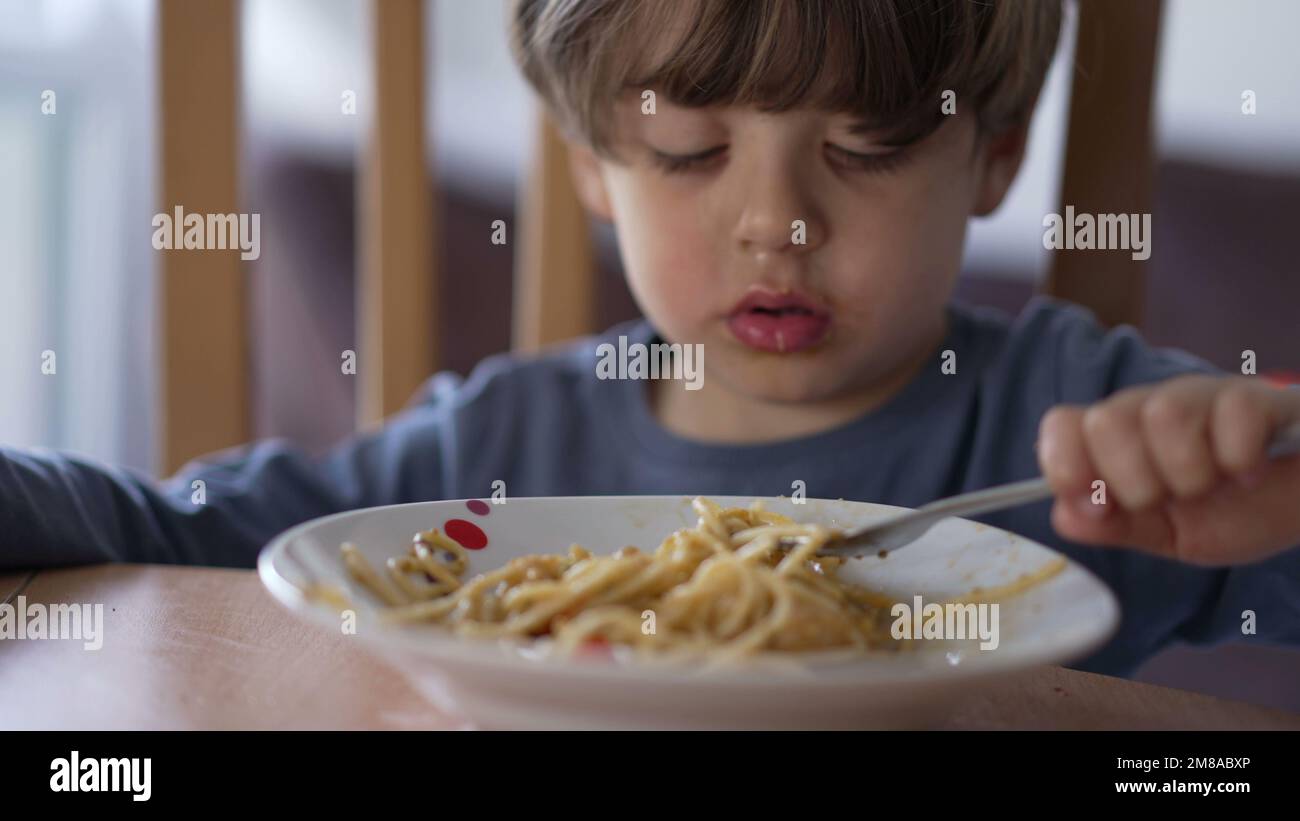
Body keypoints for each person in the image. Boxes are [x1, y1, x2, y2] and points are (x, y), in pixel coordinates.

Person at [3, 0, 1297, 677]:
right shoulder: (498, 449)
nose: (777, 224)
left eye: (867, 149)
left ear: (994, 158)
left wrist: (1272, 513)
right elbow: (188, 537)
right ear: (592, 166)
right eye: (689, 153)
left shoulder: (1092, 433)